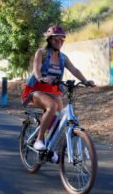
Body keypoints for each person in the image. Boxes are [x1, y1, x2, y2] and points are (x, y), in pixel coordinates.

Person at [21, 25, 95, 154]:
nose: (59, 42)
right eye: (56, 39)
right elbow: (36, 67)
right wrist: (40, 78)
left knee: (60, 119)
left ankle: (51, 148)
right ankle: (39, 140)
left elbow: (74, 69)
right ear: (49, 40)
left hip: (53, 91)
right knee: (52, 106)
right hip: (36, 90)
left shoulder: (63, 58)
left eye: (62, 40)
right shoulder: (41, 53)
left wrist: (85, 81)